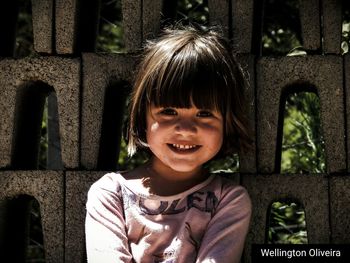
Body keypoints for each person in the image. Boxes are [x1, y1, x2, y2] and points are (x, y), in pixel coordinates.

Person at [85, 25, 252, 263]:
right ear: (142, 115)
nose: (185, 129)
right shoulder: (110, 194)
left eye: (204, 114)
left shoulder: (229, 200)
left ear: (227, 122)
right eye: (169, 111)